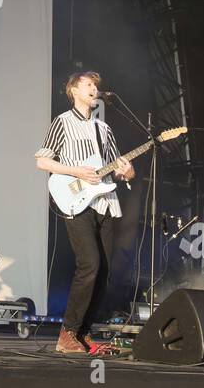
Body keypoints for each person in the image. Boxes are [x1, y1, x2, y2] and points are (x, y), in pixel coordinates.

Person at [35, 71, 133, 354]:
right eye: (88, 85)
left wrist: (128, 172)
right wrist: (76, 171)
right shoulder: (62, 123)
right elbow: (43, 162)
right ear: (74, 91)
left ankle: (84, 333)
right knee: (89, 263)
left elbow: (118, 168)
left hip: (105, 202)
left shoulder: (105, 130)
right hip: (76, 201)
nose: (94, 89)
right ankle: (67, 333)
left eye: (95, 86)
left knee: (103, 271)